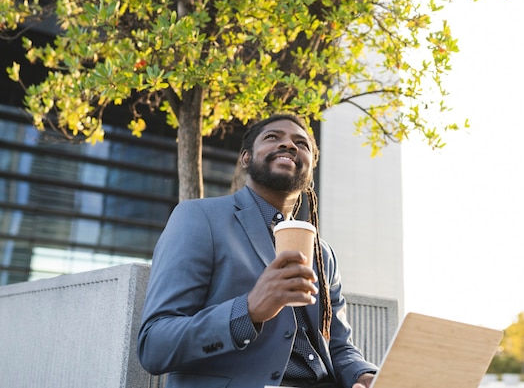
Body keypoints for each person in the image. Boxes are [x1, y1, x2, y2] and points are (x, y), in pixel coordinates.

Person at [137, 113, 378, 388]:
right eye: (273, 137)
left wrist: (364, 375)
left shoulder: (322, 255)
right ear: (246, 158)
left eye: (302, 143)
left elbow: (339, 347)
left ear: (310, 171)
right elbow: (154, 345)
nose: (289, 145)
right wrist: (248, 310)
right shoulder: (199, 218)